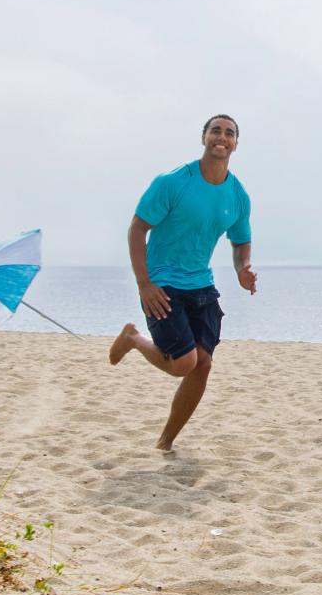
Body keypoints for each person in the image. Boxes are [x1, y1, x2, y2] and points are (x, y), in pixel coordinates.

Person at [109, 113, 256, 451]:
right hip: (162, 282)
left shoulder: (237, 195)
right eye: (215, 131)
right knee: (183, 364)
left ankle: (165, 442)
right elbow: (137, 228)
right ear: (204, 137)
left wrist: (243, 267)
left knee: (202, 365)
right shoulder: (173, 182)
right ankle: (133, 337)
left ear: (236, 143)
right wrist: (144, 282)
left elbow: (240, 239)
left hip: (201, 287)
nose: (222, 137)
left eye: (229, 133)